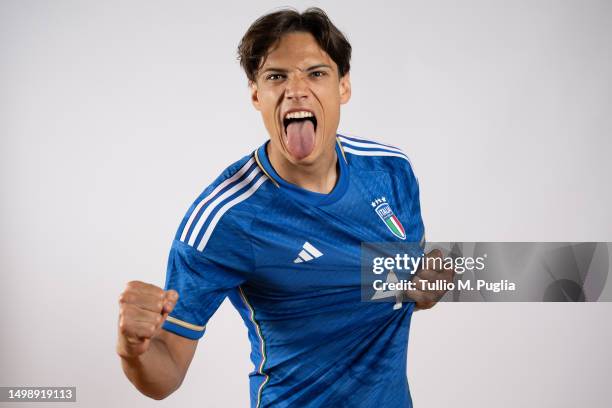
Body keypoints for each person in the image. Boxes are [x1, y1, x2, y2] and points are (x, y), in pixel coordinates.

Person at [116, 7, 453, 408]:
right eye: (277, 76)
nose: (296, 89)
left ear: (343, 86)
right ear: (257, 94)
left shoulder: (390, 171)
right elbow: (164, 375)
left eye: (316, 73)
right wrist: (132, 350)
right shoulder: (227, 216)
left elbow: (410, 281)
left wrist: (431, 282)